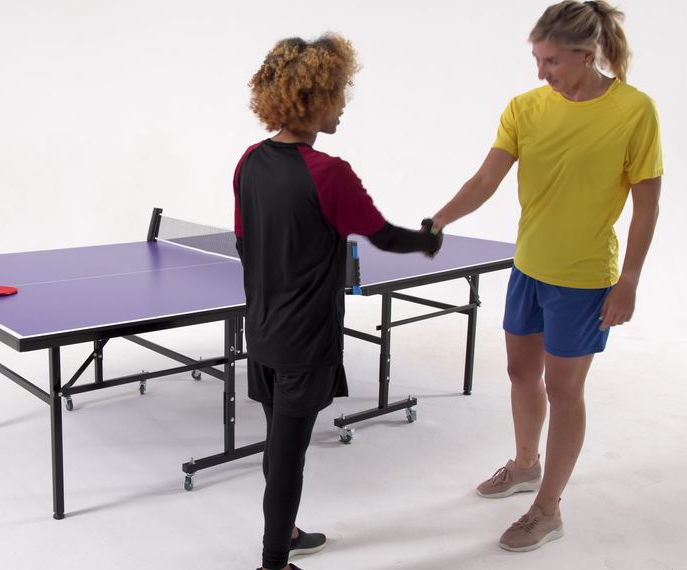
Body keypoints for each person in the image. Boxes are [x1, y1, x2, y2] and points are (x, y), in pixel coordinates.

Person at [430, 0, 663, 552]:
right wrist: (437, 220)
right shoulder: (525, 108)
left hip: (584, 279)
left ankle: (548, 508)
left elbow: (647, 207)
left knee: (564, 390)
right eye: (537, 59)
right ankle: (525, 464)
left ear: (587, 55)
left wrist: (628, 280)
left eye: (552, 61)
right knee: (518, 373)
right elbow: (487, 177)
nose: (542, 71)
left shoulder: (635, 111)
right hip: (528, 268)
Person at [234, 34, 442, 570]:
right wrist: (427, 239)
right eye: (338, 92)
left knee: (279, 443)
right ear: (312, 97)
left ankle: (288, 529)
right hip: (304, 340)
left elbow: (243, 242)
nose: (344, 103)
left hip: (260, 331)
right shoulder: (329, 174)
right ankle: (274, 561)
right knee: (287, 457)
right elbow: (384, 235)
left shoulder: (249, 162)